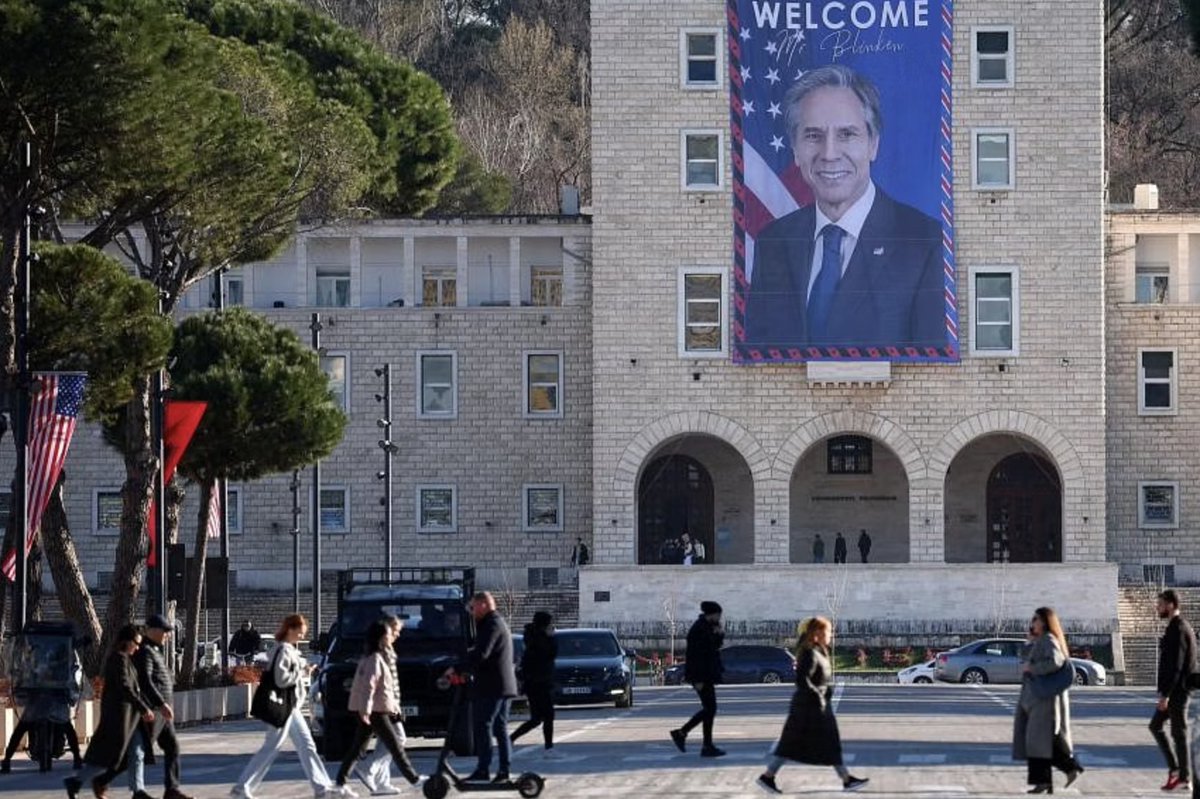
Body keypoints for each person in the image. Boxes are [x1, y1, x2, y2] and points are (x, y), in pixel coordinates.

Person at [743, 64, 944, 352]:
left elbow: (931, 373)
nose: (829, 154)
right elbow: (759, 359)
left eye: (847, 135)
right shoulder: (773, 242)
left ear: (873, 144)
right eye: (813, 136)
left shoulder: (924, 242)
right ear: (795, 149)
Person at [230, 614, 354, 799]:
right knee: (272, 747)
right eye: (301, 631)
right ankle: (241, 788)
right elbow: (281, 680)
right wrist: (301, 671)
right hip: (283, 705)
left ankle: (322, 788)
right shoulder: (283, 651)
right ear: (291, 629)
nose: (303, 636)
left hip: (290, 706)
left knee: (307, 745)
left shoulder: (286, 650)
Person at [755, 617, 868, 793]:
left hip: (817, 704)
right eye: (827, 631)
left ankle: (846, 779)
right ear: (816, 633)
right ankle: (768, 776)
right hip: (808, 707)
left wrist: (824, 694)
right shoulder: (809, 653)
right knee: (792, 744)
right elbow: (802, 679)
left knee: (828, 743)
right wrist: (818, 696)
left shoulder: (819, 650)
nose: (830, 634)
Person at [64, 624, 155, 799]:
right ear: (126, 641)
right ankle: (76, 782)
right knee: (106, 758)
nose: (137, 647)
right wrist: (143, 708)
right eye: (136, 643)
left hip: (130, 719)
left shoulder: (127, 659)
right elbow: (125, 688)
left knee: (136, 753)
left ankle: (138, 791)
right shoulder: (118, 659)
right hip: (118, 719)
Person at [335, 617, 421, 793]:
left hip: (377, 708)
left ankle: (340, 784)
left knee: (358, 749)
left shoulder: (370, 656)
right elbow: (369, 686)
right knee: (395, 746)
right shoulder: (375, 658)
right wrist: (366, 710)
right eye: (390, 633)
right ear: (381, 637)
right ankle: (415, 779)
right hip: (376, 710)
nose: (393, 636)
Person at [1013, 607, 1083, 794]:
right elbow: (1025, 658)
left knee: (1037, 740)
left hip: (1043, 698)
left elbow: (1056, 661)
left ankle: (1048, 779)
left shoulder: (1049, 640)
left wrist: (1033, 669)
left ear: (1044, 621)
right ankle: (1067, 769)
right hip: (1034, 697)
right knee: (1041, 740)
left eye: (1035, 619)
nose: (1032, 622)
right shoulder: (1040, 640)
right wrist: (1030, 642)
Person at [128, 614, 193, 799]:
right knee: (137, 751)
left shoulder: (154, 650)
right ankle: (103, 781)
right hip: (152, 711)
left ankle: (171, 789)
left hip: (160, 713)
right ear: (153, 631)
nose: (168, 635)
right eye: (165, 631)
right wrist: (161, 703)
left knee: (171, 747)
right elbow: (145, 681)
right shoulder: (145, 651)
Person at [461, 592, 518, 783]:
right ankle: (504, 770)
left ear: (484, 604)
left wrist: (461, 665)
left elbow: (482, 653)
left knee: (484, 725)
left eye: (473, 607)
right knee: (499, 728)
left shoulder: (492, 624)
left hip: (493, 686)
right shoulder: (496, 622)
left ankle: (484, 768)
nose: (472, 612)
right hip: (501, 684)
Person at [1152, 589, 1197, 792]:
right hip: (1175, 691)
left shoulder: (1178, 628)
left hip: (1177, 692)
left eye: (1160, 604)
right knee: (1157, 726)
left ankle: (1183, 777)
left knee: (1178, 733)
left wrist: (1166, 695)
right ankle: (1177, 772)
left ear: (1170, 604)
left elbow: (1176, 666)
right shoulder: (1177, 626)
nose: (1158, 608)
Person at [669, 600, 725, 757]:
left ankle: (704, 744)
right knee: (710, 709)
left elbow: (714, 647)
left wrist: (719, 633)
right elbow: (694, 656)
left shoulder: (707, 627)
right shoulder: (698, 629)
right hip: (701, 676)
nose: (719, 618)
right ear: (712, 614)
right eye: (718, 615)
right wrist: (697, 679)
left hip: (706, 674)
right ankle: (683, 733)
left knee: (710, 709)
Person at [510, 611, 559, 758]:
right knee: (547, 716)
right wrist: (551, 638)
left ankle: (511, 738)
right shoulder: (539, 640)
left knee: (537, 718)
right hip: (539, 683)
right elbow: (550, 653)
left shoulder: (533, 637)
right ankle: (549, 748)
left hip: (537, 682)